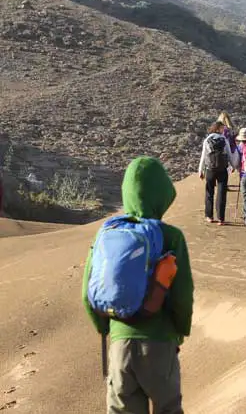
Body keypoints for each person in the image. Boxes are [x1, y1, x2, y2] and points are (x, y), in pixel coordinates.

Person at [82, 156, 194, 414]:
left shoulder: (107, 233)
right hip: (160, 343)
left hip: (120, 345)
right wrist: (180, 331)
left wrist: (106, 327)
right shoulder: (171, 236)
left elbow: (87, 292)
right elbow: (182, 295)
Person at [198, 121, 239, 225]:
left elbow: (203, 156)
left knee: (209, 192)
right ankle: (221, 218)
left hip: (210, 169)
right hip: (222, 169)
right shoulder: (224, 139)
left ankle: (209, 216)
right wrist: (233, 166)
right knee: (221, 193)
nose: (223, 130)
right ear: (218, 129)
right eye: (222, 128)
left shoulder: (207, 140)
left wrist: (200, 170)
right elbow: (229, 154)